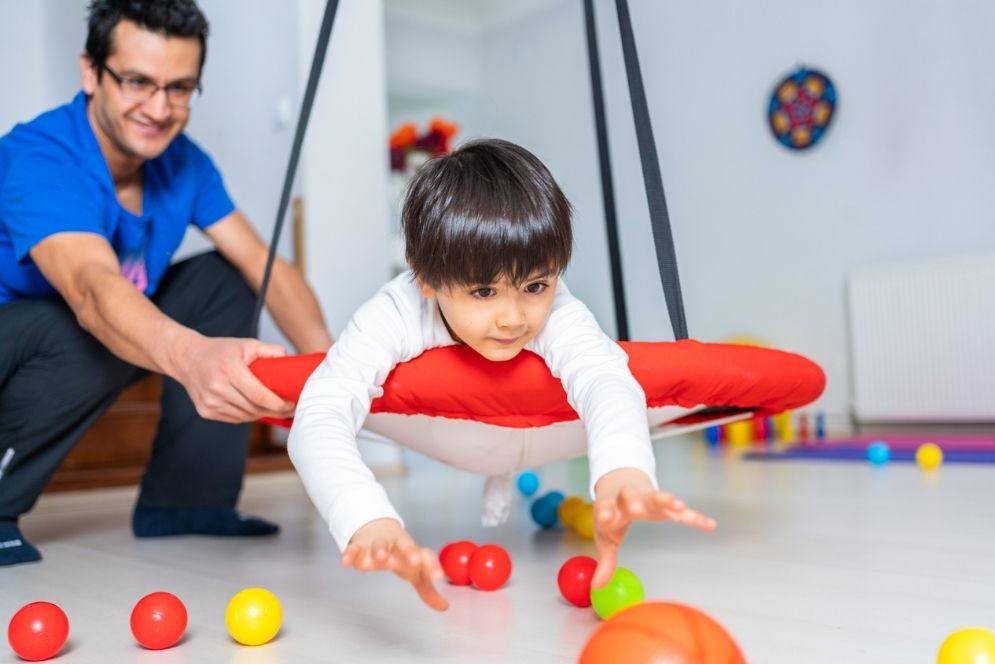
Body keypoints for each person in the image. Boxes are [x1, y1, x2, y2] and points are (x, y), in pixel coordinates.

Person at [287, 139, 716, 612]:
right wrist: (365, 519)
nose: (514, 318)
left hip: (536, 433)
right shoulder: (395, 312)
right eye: (484, 291)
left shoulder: (560, 313)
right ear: (425, 277)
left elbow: (604, 379)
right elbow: (320, 413)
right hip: (447, 435)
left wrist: (623, 470)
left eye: (536, 285)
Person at [0, 0, 333, 567]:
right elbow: (90, 288)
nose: (158, 108)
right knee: (85, 323)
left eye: (180, 88)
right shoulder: (38, 155)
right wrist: (195, 357)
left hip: (86, 334)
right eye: (137, 82)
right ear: (90, 71)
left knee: (227, 278)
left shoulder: (186, 164)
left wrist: (335, 375)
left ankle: (187, 502)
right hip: (29, 338)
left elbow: (264, 264)